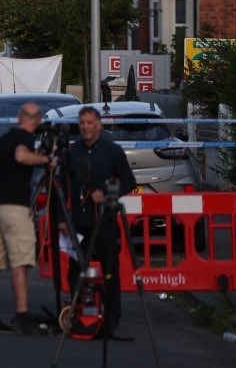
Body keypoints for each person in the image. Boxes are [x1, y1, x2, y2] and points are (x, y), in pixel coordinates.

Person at [0, 102, 55, 335]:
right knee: (19, 264)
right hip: (15, 208)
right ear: (39, 121)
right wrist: (46, 160)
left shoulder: (3, 139)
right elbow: (22, 157)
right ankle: (22, 315)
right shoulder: (24, 138)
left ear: (18, 116)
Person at [63, 106, 136, 336]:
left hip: (104, 220)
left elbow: (128, 181)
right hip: (79, 221)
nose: (85, 127)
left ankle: (112, 316)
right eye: (82, 123)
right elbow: (62, 185)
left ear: (99, 125)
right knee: (75, 269)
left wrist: (106, 195)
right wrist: (60, 219)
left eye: (90, 123)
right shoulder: (72, 152)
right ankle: (76, 311)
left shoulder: (112, 151)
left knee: (110, 269)